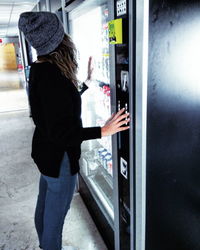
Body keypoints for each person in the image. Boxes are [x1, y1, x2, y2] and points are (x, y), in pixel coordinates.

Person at [18, 11, 130, 250]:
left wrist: (85, 85)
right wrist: (103, 130)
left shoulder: (40, 68)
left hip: (45, 155)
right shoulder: (53, 76)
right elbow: (62, 132)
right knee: (54, 223)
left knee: (44, 210)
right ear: (58, 39)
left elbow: (55, 110)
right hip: (60, 162)